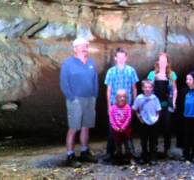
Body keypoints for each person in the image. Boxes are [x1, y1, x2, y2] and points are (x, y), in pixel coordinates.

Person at [60, 37, 99, 167]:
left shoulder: (91, 62)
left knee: (85, 126)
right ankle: (70, 155)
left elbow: (95, 80)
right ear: (75, 49)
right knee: (73, 127)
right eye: (81, 46)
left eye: (86, 46)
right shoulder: (68, 64)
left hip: (89, 99)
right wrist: (72, 98)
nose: (84, 48)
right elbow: (64, 83)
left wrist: (95, 95)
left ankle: (84, 152)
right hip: (75, 100)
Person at [103, 47, 139, 162]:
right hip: (114, 106)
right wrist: (109, 107)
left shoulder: (131, 71)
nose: (121, 60)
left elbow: (134, 88)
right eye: (119, 57)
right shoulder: (111, 72)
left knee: (127, 129)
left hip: (127, 106)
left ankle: (130, 153)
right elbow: (108, 90)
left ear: (126, 58)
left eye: (123, 57)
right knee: (112, 129)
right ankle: (110, 153)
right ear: (115, 58)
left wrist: (135, 104)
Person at [147, 52, 178, 157]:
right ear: (158, 62)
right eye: (161, 60)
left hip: (166, 104)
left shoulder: (171, 75)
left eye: (164, 61)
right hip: (155, 105)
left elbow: (175, 89)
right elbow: (148, 88)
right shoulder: (152, 74)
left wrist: (173, 102)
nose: (163, 62)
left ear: (168, 62)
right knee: (154, 127)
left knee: (167, 127)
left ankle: (167, 149)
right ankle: (153, 148)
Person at [132, 80, 162, 165]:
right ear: (142, 88)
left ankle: (153, 157)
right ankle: (144, 156)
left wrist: (156, 118)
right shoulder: (139, 98)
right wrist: (139, 117)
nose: (147, 89)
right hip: (143, 122)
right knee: (144, 140)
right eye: (145, 87)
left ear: (152, 88)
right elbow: (134, 109)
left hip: (153, 122)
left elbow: (158, 110)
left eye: (149, 87)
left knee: (153, 140)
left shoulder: (155, 98)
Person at [179, 72, 194, 163]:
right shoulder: (184, 91)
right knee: (186, 137)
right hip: (186, 117)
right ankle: (186, 154)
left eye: (189, 79)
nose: (187, 81)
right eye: (186, 79)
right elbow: (181, 104)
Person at [109, 89, 134, 164]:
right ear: (116, 98)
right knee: (118, 145)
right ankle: (119, 158)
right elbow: (111, 119)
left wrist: (124, 126)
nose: (122, 98)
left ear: (126, 98)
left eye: (124, 97)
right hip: (116, 131)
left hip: (126, 131)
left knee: (128, 145)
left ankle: (130, 158)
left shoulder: (128, 107)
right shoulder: (113, 108)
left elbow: (128, 118)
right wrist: (115, 127)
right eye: (120, 97)